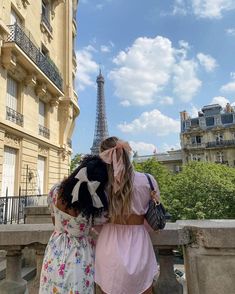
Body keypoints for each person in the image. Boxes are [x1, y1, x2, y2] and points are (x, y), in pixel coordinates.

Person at [95, 136, 160, 294]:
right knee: (144, 289)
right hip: (139, 242)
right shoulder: (148, 180)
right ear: (127, 154)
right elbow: (154, 215)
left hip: (109, 242)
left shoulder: (100, 185)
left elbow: (96, 220)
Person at [39, 155, 108, 294]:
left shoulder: (55, 190)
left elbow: (55, 222)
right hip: (80, 254)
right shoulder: (92, 203)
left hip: (55, 249)